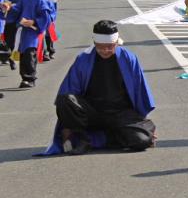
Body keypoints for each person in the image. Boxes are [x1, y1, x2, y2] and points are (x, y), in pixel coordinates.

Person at [43, 20, 156, 155]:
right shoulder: (83, 59)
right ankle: (83, 139)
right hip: (92, 113)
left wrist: (140, 125)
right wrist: (66, 128)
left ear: (117, 42)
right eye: (100, 47)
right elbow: (70, 91)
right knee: (64, 99)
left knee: (142, 141)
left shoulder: (129, 58)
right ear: (94, 43)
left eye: (110, 46)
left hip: (120, 113)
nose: (105, 50)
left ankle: (104, 138)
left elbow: (140, 92)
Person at [3, 0, 51, 88]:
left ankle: (30, 78)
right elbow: (16, 9)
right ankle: (25, 78)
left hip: (33, 32)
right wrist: (8, 7)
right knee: (23, 55)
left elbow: (45, 17)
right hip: (23, 31)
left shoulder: (40, 1)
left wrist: (34, 22)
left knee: (30, 54)